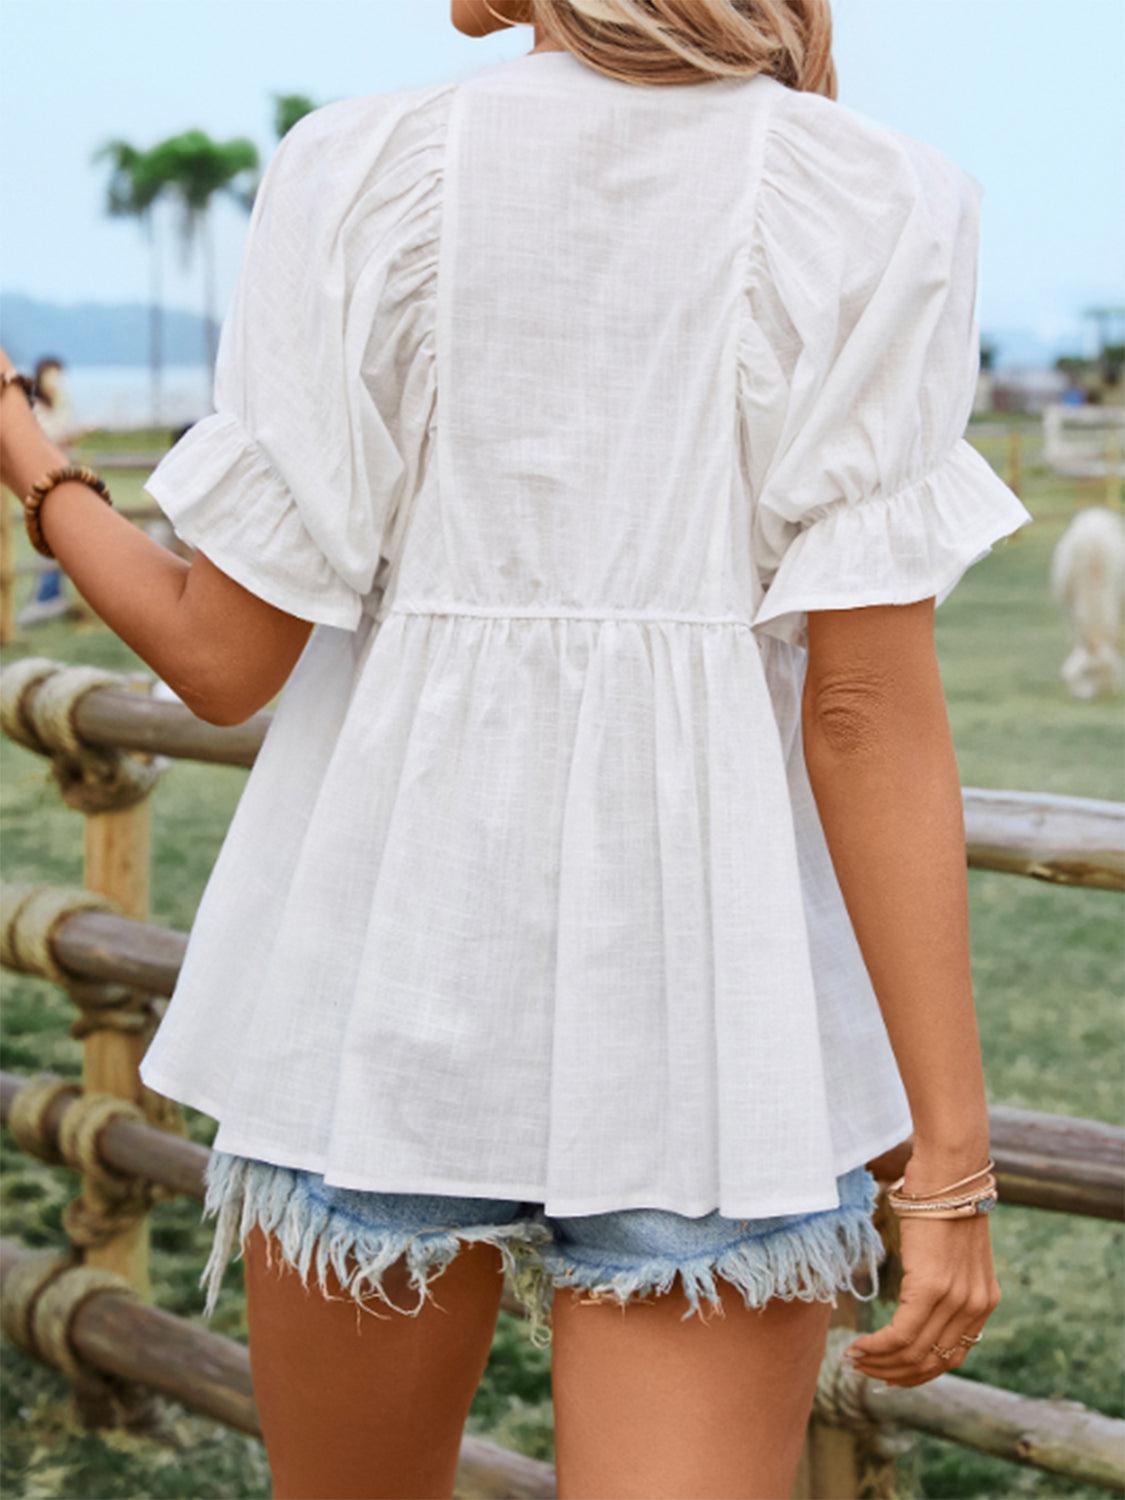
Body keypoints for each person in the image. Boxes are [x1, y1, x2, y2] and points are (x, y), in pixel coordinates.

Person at [0, 1, 1031, 1494]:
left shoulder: (357, 168)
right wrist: (948, 1159)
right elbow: (863, 711)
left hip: (379, 992)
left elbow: (221, 662)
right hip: (717, 1033)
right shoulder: (877, 197)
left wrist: (35, 466)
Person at [15, 356, 89, 625]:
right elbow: (41, 439)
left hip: (62, 477)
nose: (57, 381)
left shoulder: (59, 404)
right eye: (52, 375)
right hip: (44, 478)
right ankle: (45, 597)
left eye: (59, 375)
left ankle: (51, 595)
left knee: (63, 535)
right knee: (51, 535)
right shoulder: (34, 406)